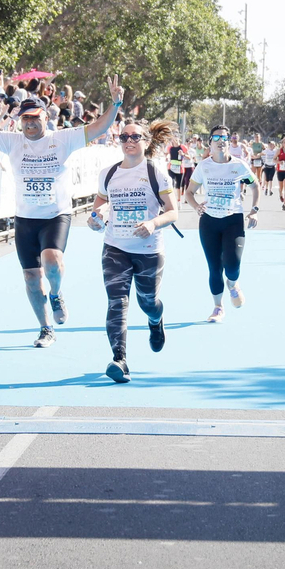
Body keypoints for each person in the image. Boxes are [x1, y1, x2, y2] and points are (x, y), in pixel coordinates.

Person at [0, 73, 124, 347]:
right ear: (20, 121)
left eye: (35, 118)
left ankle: (57, 292)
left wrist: (115, 104)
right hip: (25, 219)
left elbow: (99, 128)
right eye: (25, 118)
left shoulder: (62, 138)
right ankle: (45, 328)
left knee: (52, 261)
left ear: (45, 118)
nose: (30, 123)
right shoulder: (12, 141)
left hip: (55, 216)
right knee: (30, 277)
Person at [88, 119, 179, 383]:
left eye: (135, 137)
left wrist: (152, 223)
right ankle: (120, 359)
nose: (129, 141)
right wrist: (95, 220)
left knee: (147, 302)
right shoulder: (107, 173)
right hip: (115, 247)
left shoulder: (156, 172)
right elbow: (101, 207)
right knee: (117, 302)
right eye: (124, 137)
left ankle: (155, 321)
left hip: (149, 250)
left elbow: (173, 212)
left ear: (145, 142)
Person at [183, 124, 258, 322]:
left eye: (224, 137)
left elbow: (255, 185)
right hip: (209, 222)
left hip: (233, 220)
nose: (221, 141)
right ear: (210, 143)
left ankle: (233, 284)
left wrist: (254, 210)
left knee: (232, 265)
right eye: (216, 138)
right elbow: (189, 193)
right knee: (214, 268)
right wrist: (196, 206)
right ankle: (218, 307)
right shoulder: (204, 166)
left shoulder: (239, 165)